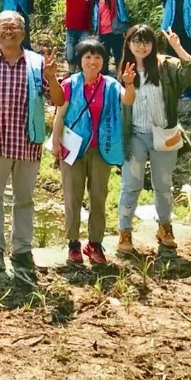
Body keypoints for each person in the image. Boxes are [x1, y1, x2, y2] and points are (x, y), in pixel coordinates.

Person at [0, 12, 65, 275]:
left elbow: (57, 100)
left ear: (23, 34)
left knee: (24, 199)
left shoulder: (38, 63)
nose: (8, 32)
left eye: (14, 28)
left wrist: (52, 77)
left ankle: (22, 250)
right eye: (3, 27)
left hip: (28, 144)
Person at [115, 26, 191, 254]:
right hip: (134, 135)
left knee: (163, 186)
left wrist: (177, 46)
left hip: (164, 135)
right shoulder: (124, 68)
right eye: (137, 41)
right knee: (130, 185)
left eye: (147, 42)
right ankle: (124, 232)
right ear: (128, 43)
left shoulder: (166, 66)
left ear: (153, 45)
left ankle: (165, 228)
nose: (141, 46)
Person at [51, 38, 133, 266]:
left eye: (98, 57)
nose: (93, 61)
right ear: (80, 60)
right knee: (72, 197)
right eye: (88, 56)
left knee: (99, 196)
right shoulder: (69, 84)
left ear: (104, 60)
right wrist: (56, 144)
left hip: (101, 149)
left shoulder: (111, 84)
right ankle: (73, 244)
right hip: (73, 148)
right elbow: (60, 115)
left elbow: (127, 100)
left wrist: (129, 84)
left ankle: (95, 243)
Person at [47, 0, 97, 71]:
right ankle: (71, 73)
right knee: (70, 54)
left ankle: (81, 73)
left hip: (85, 29)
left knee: (83, 52)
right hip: (70, 29)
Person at [92, 0, 135, 71]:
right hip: (102, 33)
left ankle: (122, 80)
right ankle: (103, 81)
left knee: (119, 57)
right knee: (103, 58)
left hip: (116, 31)